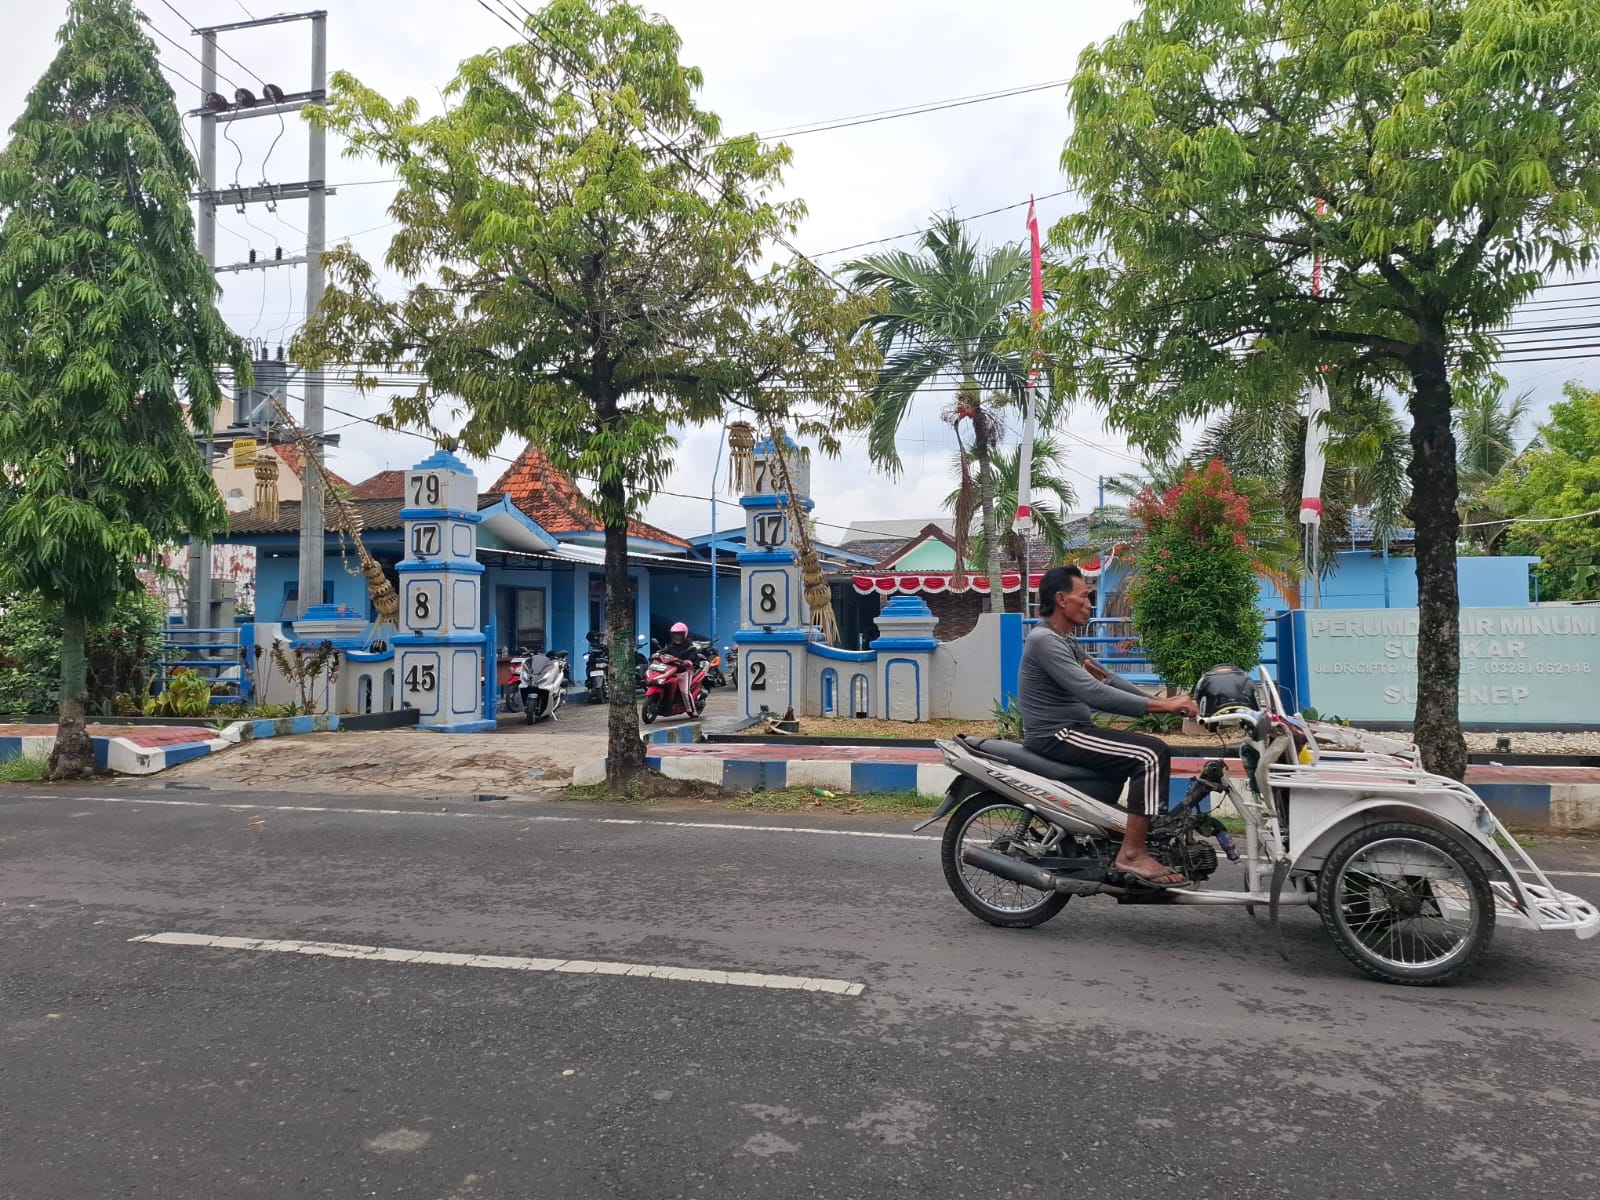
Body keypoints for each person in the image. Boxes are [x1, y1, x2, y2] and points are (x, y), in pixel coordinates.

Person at [1017, 565, 1199, 888]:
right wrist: (1164, 705)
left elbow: (1108, 679)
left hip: (1072, 729)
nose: (1090, 603)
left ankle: (1124, 838)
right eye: (1084, 596)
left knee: (1142, 751)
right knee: (1151, 754)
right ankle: (1131, 854)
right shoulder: (1045, 640)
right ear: (1061, 599)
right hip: (1057, 733)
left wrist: (1164, 707)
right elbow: (1093, 693)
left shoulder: (1066, 642)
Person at [665, 621, 705, 715]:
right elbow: (666, 650)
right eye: (675, 635)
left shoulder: (689, 644)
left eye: (679, 635)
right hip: (673, 668)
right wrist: (659, 653)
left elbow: (693, 654)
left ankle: (692, 710)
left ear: (685, 634)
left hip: (685, 670)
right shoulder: (672, 644)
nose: (677, 637)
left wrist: (689, 661)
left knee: (684, 691)